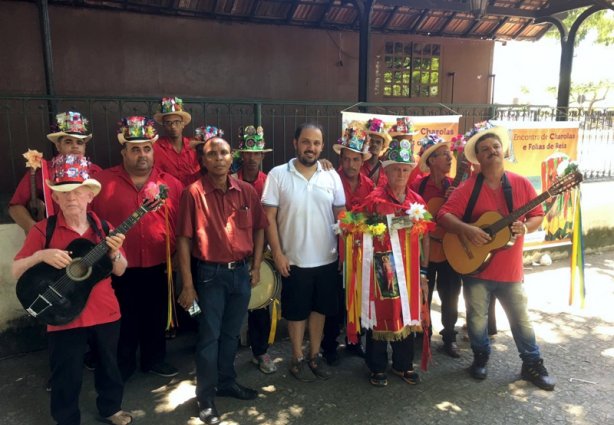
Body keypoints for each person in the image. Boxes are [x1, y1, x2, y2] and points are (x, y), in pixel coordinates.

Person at [12, 154, 132, 425]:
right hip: (62, 316)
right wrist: (40, 256)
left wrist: (114, 254)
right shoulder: (44, 230)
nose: (71, 199)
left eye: (78, 192)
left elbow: (121, 269)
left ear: (90, 195)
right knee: (65, 373)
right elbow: (16, 269)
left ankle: (111, 409)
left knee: (109, 368)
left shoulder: (104, 229)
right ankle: (66, 419)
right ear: (54, 198)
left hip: (105, 313)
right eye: (63, 193)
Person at [437, 123, 556, 391]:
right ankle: (480, 357)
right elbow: (443, 214)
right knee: (477, 319)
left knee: (521, 320)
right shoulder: (469, 187)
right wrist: (468, 230)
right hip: (476, 268)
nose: (492, 151)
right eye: (485, 149)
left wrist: (526, 227)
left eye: (496, 147)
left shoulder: (520, 183)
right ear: (478, 158)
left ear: (503, 151)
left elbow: (537, 215)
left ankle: (533, 364)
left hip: (510, 270)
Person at [176, 133, 267, 425]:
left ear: (232, 158)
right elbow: (184, 240)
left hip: (240, 273)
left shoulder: (246, 192)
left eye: (224, 153)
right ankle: (205, 396)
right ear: (203, 160)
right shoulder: (193, 193)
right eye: (212, 154)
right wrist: (187, 284)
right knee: (209, 338)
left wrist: (255, 267)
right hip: (209, 276)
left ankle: (227, 381)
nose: (218, 159)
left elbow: (259, 229)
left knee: (230, 335)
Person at [91, 116, 183, 380]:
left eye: (147, 148)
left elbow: (182, 225)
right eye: (135, 149)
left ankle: (155, 360)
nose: (142, 154)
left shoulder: (172, 184)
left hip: (160, 263)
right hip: (118, 266)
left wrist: (178, 255)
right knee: (122, 317)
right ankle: (123, 364)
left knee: (155, 316)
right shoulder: (101, 182)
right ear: (124, 152)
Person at [262, 123, 346, 382]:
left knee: (319, 310)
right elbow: (269, 218)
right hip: (294, 259)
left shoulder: (331, 175)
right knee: (296, 312)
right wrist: (277, 253)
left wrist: (344, 253)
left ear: (322, 146)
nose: (311, 148)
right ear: (295, 143)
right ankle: (297, 356)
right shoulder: (277, 174)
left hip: (327, 258)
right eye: (306, 142)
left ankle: (314, 355)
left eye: (317, 143)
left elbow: (341, 215)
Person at [346, 139, 431, 387]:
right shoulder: (373, 200)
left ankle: (403, 365)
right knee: (381, 315)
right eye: (396, 169)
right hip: (382, 268)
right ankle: (377, 366)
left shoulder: (417, 203)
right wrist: (370, 226)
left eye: (406, 169)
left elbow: (426, 237)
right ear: (386, 170)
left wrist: (424, 270)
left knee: (407, 315)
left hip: (411, 270)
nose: (401, 174)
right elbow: (352, 224)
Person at [321, 126, 374, 365]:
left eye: (356, 159)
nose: (351, 164)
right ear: (340, 158)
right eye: (347, 158)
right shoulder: (329, 178)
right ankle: (329, 345)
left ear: (363, 161)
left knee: (359, 297)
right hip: (333, 250)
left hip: (361, 252)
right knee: (334, 300)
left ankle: (354, 342)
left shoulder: (370, 187)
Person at [230, 125, 278, 374]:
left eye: (256, 153)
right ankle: (227, 355)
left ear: (262, 156)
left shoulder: (270, 182)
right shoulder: (230, 181)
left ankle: (261, 352)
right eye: (248, 153)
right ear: (241, 155)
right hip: (233, 252)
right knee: (232, 306)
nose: (251, 158)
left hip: (262, 251)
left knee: (261, 303)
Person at [412, 133, 463, 358]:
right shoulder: (418, 186)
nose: (449, 159)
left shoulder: (457, 185)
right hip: (425, 251)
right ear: (431, 160)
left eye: (450, 155)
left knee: (451, 295)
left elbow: (464, 217)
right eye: (443, 155)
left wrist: (455, 198)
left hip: (450, 250)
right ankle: (423, 335)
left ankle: (449, 337)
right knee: (423, 295)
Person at [9, 111, 102, 234]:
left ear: (85, 147)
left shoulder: (96, 171)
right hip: (51, 239)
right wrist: (35, 230)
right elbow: (15, 207)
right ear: (58, 146)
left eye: (80, 142)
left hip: (89, 239)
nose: (75, 146)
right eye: (68, 142)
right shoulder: (41, 171)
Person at [152, 97, 201, 187]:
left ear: (183, 124)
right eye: (168, 123)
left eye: (177, 122)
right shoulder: (156, 147)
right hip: (169, 196)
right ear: (163, 125)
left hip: (193, 194)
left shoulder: (195, 145)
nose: (173, 126)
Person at [361, 118, 392, 188]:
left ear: (383, 145)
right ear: (367, 142)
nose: (374, 144)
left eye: (378, 142)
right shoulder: (358, 165)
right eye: (372, 141)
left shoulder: (386, 168)